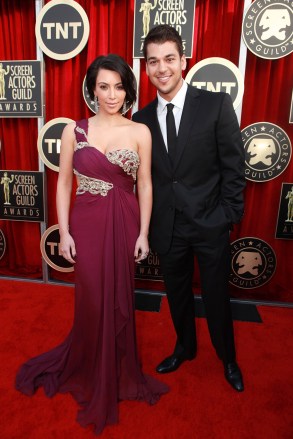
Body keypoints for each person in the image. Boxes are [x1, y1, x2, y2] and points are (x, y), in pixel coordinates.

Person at [15, 54, 168, 435]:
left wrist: (143, 232)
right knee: (91, 297)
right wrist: (64, 231)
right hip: (86, 221)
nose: (111, 94)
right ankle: (88, 365)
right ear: (92, 89)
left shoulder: (140, 132)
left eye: (118, 86)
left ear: (127, 89)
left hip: (124, 220)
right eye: (104, 86)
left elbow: (145, 183)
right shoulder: (74, 130)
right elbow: (64, 182)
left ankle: (115, 367)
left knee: (119, 295)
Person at [132, 25, 246, 392]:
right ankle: (184, 347)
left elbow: (233, 167)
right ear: (146, 68)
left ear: (183, 60)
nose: (161, 68)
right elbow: (144, 178)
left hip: (210, 223)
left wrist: (227, 215)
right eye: (153, 61)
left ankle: (228, 357)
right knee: (177, 294)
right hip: (168, 226)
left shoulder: (214, 104)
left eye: (169, 58)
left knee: (216, 295)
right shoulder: (141, 120)